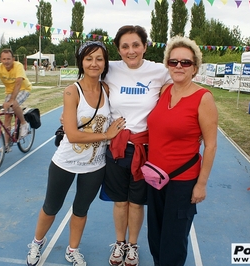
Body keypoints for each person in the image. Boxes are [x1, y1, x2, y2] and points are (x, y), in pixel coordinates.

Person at [26, 41, 126, 266]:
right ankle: (36, 243)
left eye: (99, 58)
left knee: (81, 209)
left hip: (95, 165)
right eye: (89, 58)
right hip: (66, 161)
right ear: (81, 62)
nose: (94, 63)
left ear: (105, 63)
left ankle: (72, 249)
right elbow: (72, 135)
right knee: (51, 207)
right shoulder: (72, 91)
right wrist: (107, 136)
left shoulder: (107, 90)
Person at [99, 25, 172, 266]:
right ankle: (119, 244)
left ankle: (133, 244)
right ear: (118, 49)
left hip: (145, 149)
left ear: (145, 46)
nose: (131, 51)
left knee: (137, 202)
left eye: (136, 45)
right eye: (125, 46)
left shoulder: (160, 71)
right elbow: (85, 85)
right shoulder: (109, 70)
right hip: (117, 147)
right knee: (120, 201)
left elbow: (182, 89)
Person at [146, 36, 218, 266]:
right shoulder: (165, 91)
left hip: (182, 182)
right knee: (155, 236)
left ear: (195, 68)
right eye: (174, 61)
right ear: (167, 64)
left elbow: (211, 144)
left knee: (174, 242)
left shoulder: (203, 98)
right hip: (156, 179)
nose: (179, 66)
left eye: (185, 62)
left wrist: (201, 184)